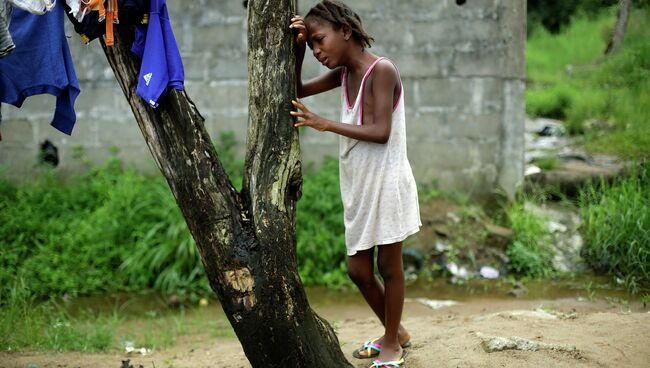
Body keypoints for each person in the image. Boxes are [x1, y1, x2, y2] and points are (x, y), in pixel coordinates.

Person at [289, 1, 421, 367]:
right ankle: (397, 332)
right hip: (359, 185)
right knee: (358, 271)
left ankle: (392, 343)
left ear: (345, 31)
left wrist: (325, 123)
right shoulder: (344, 73)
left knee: (389, 268)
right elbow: (298, 87)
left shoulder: (382, 71)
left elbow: (381, 132)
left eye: (319, 40)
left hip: (387, 182)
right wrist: (297, 51)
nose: (317, 51)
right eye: (311, 45)